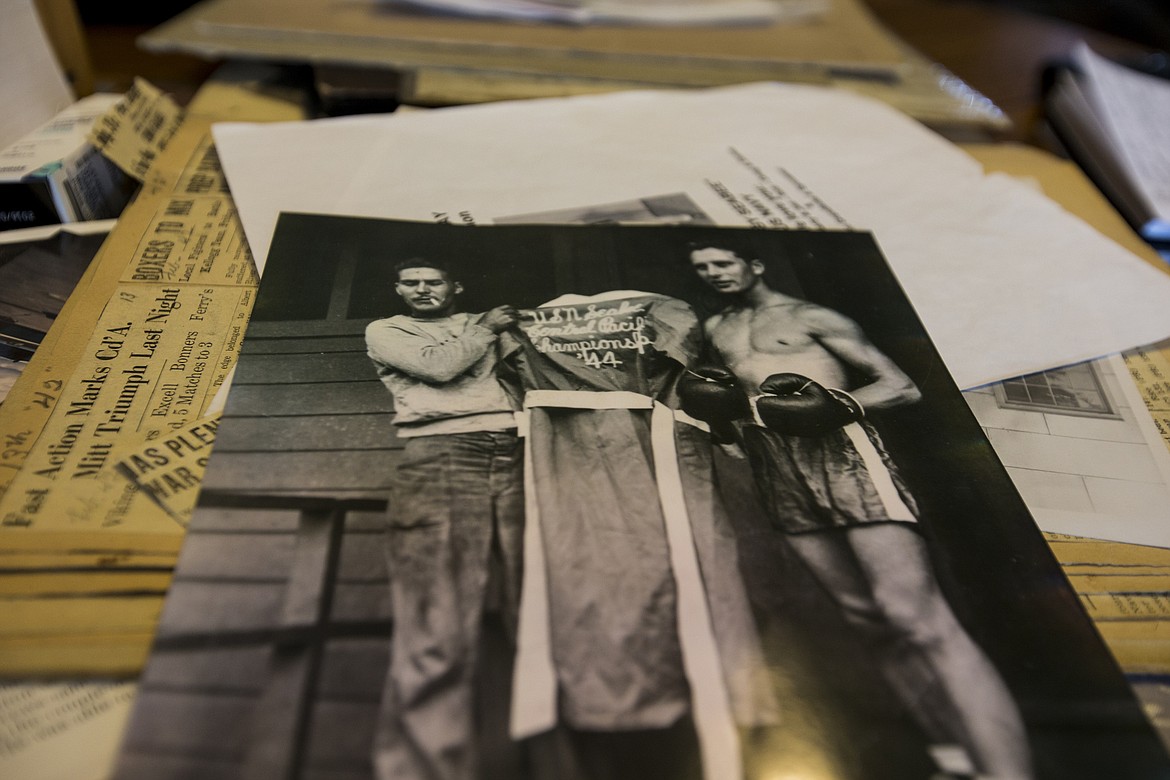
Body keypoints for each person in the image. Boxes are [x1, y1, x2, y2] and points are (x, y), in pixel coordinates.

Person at [682, 243, 1033, 780]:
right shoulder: (715, 329)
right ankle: (957, 760)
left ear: (754, 263)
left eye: (723, 263)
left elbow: (902, 386)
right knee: (864, 619)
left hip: (843, 452)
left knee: (915, 618)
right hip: (772, 459)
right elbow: (732, 407)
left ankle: (1009, 773)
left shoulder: (812, 317)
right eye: (704, 269)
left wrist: (841, 403)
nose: (714, 275)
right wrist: (720, 415)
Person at [364, 257, 524, 780]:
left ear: (456, 284)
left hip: (518, 452)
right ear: (397, 289)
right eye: (411, 282)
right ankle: (420, 771)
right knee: (437, 626)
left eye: (433, 281)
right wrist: (488, 329)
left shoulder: (490, 324)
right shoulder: (390, 330)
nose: (422, 290)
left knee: (539, 607)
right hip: (441, 455)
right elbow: (440, 368)